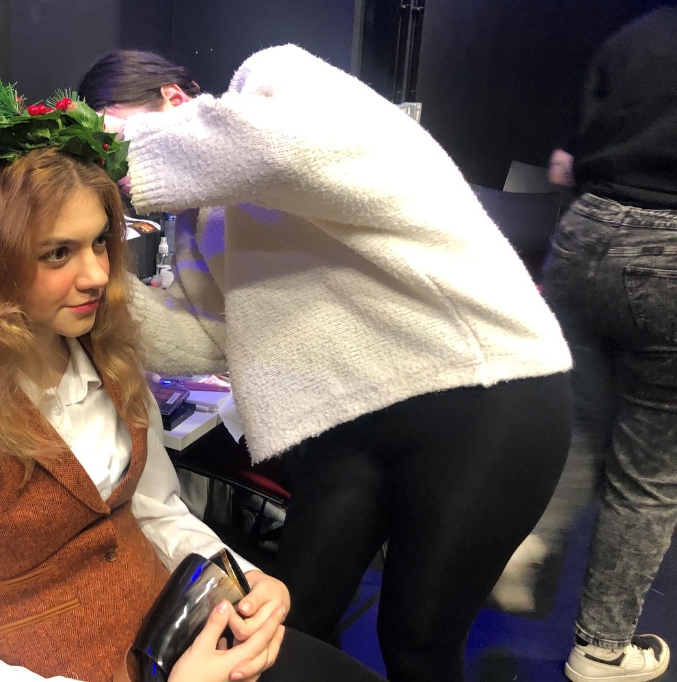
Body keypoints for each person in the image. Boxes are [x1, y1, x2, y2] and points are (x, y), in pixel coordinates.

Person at [0, 77, 384, 682]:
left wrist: (241, 577)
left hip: (180, 640)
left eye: (101, 242)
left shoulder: (106, 359)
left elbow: (154, 511)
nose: (98, 273)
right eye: (59, 253)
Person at [78, 46, 574, 682]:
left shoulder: (277, 78)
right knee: (284, 621)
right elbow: (206, 339)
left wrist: (109, 154)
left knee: (417, 642)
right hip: (356, 417)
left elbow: (287, 152)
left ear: (173, 100)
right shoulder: (199, 219)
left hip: (485, 393)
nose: (111, 168)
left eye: (113, 135)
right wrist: (96, 285)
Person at [536, 6, 677, 681]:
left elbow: (564, 164)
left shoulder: (637, 32)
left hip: (583, 233)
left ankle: (524, 537)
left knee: (574, 420)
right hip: (672, 249)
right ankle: (601, 650)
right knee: (649, 473)